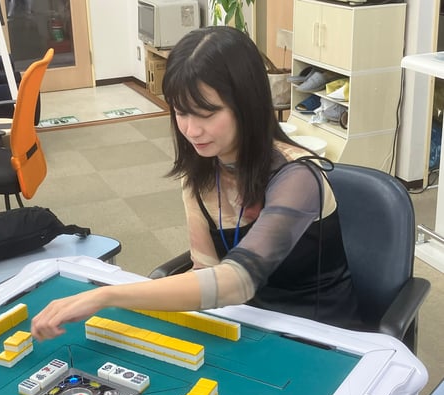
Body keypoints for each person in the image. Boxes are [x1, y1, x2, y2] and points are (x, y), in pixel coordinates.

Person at [31, 26, 361, 341]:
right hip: (247, 325)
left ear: (247, 105)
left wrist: (108, 295)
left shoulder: (299, 176)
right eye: (181, 112)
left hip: (320, 335)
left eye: (206, 113)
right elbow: (206, 270)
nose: (191, 130)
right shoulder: (200, 172)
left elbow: (238, 282)